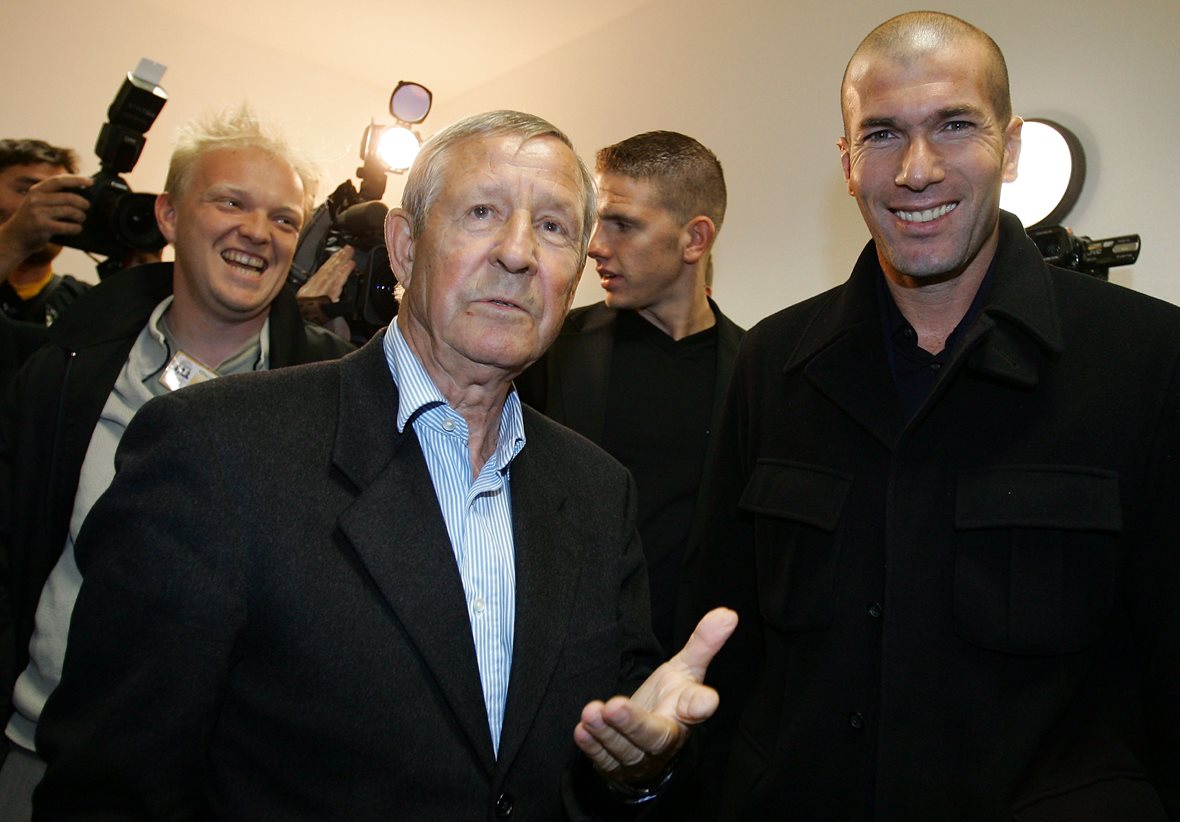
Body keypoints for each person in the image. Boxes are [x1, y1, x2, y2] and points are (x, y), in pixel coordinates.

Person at [30, 110, 736, 819]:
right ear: (403, 247)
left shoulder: (597, 490)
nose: (518, 253)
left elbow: (612, 733)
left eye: (553, 227)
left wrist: (645, 766)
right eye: (483, 212)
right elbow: (112, 784)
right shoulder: (215, 451)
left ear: (575, 275)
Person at [679, 11, 1180, 819]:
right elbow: (722, 648)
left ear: (1012, 146)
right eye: (882, 134)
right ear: (847, 163)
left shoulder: (1153, 361)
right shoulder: (772, 363)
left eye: (955, 125)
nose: (917, 170)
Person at [0, 106, 354, 817]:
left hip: (220, 785)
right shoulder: (65, 369)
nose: (258, 232)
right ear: (167, 215)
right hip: (33, 754)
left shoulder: (333, 401)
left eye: (285, 219)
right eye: (231, 201)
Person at [518, 131, 743, 652]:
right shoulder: (549, 350)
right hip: (557, 664)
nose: (595, 244)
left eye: (623, 224)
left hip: (691, 683)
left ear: (695, 239)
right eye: (597, 221)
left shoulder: (756, 373)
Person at [0, 140, 92, 327]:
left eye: (61, 194)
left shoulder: (87, 303)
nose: (48, 204)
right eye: (26, 191)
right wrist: (13, 242)